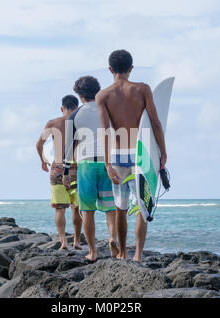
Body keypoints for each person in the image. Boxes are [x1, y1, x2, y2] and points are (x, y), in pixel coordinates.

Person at [96, 50, 167, 263]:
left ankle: (123, 252)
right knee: (142, 206)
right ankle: (138, 255)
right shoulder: (142, 89)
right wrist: (162, 152)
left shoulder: (103, 96)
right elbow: (155, 123)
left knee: (120, 207)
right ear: (131, 68)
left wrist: (107, 163)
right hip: (141, 154)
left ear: (110, 69)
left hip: (117, 156)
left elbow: (105, 131)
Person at [62, 76, 119, 261]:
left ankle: (93, 252)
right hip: (108, 162)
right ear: (98, 91)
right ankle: (113, 238)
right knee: (111, 208)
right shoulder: (108, 109)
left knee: (87, 210)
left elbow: (69, 147)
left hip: (86, 163)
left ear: (79, 95)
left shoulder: (74, 115)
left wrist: (65, 171)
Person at [36, 95, 82, 250]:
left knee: (60, 208)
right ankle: (77, 241)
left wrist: (43, 159)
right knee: (77, 207)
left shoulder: (53, 123)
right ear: (77, 107)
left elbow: (39, 144)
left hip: (57, 168)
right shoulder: (80, 123)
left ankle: (63, 241)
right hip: (76, 169)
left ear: (62, 108)